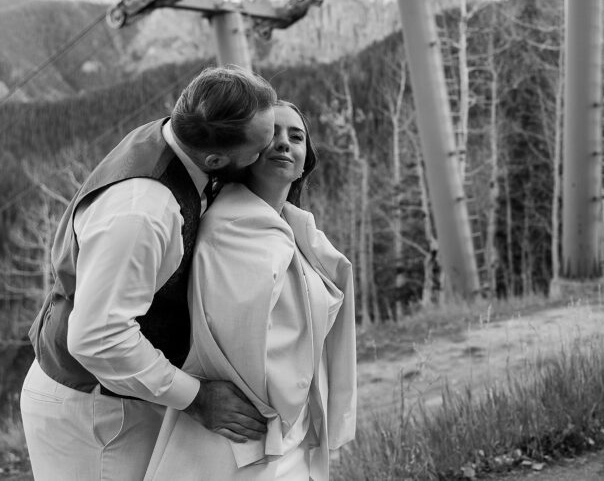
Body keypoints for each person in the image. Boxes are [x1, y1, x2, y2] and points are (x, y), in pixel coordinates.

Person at [20, 65, 278, 481]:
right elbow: (97, 338)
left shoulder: (180, 135)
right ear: (214, 159)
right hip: (94, 414)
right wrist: (196, 398)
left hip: (124, 395)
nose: (268, 152)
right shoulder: (142, 212)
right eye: (261, 146)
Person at [144, 101, 356, 481]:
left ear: (307, 158)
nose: (284, 144)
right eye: (272, 135)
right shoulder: (230, 226)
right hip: (248, 435)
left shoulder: (299, 231)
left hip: (289, 430)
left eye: (296, 136)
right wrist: (279, 417)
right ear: (245, 152)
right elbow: (234, 343)